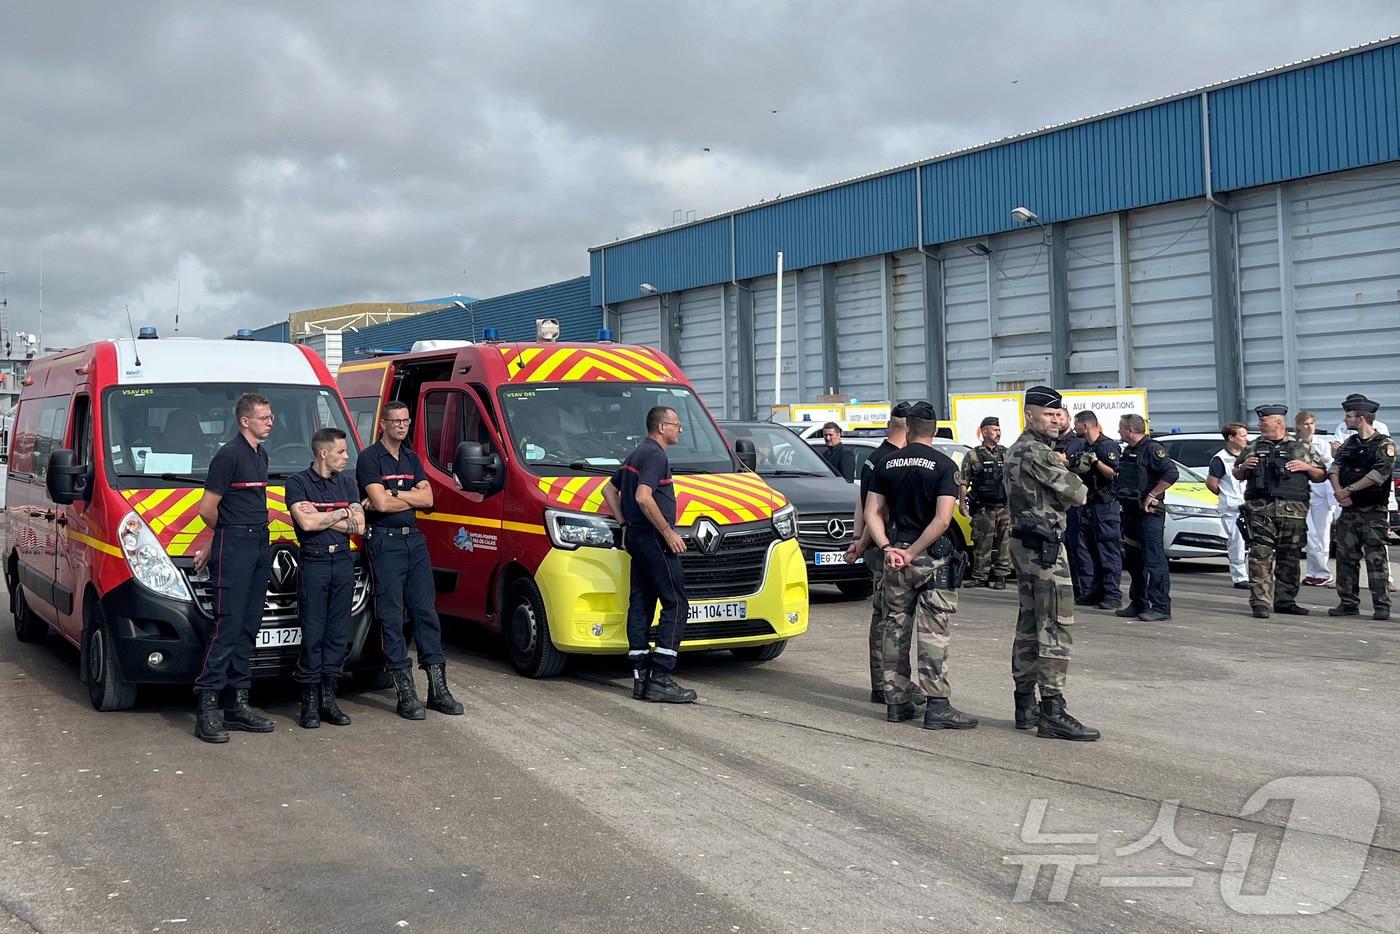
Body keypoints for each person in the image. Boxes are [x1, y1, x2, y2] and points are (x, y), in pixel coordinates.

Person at [863, 401, 973, 730]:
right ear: (934, 431)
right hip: (932, 558)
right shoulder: (944, 465)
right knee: (933, 632)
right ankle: (937, 705)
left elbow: (872, 513)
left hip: (894, 556)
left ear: (907, 430)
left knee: (895, 628)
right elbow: (942, 520)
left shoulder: (886, 462)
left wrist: (888, 548)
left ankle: (896, 702)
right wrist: (914, 551)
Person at [357, 401, 464, 720]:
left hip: (413, 540)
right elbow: (379, 503)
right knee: (391, 616)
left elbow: (429, 499)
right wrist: (399, 496)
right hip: (385, 542)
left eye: (406, 421)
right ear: (383, 424)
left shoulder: (411, 458)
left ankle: (437, 690)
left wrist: (394, 495)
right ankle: (405, 693)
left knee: (426, 613)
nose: (402, 426)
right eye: (396, 421)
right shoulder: (369, 458)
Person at [1003, 386, 1098, 741]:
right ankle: (1053, 710)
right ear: (1030, 415)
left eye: (1060, 414)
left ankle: (1025, 704)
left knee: (1028, 623)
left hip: (1026, 543)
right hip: (1044, 548)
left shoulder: (1019, 449)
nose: (1056, 420)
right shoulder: (1037, 452)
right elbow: (1079, 493)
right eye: (1048, 414)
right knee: (1056, 624)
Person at [190, 393, 277, 744]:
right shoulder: (228, 456)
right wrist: (220, 540)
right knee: (227, 627)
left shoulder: (261, 454)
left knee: (248, 626)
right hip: (237, 545)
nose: (271, 421)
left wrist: (215, 542)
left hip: (259, 542)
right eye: (264, 417)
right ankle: (208, 706)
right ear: (245, 421)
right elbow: (207, 509)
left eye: (271, 416)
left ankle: (238, 703)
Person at [601, 406, 696, 703]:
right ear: (662, 427)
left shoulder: (636, 453)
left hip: (638, 537)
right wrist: (667, 531)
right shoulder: (655, 455)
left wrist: (625, 525)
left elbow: (608, 490)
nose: (680, 430)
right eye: (677, 425)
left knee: (641, 603)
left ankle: (640, 677)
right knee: (677, 603)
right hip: (654, 538)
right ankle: (661, 677)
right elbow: (643, 496)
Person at [286, 427, 364, 729]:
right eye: (341, 451)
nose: (346, 457)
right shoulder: (297, 483)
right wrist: (343, 513)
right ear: (323, 453)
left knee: (338, 634)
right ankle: (309, 703)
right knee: (313, 632)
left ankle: (329, 700)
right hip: (315, 563)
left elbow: (358, 525)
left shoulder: (347, 482)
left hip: (342, 562)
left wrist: (327, 516)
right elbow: (305, 523)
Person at [1232, 404, 1327, 619]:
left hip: (1293, 512)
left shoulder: (1301, 447)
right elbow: (1237, 474)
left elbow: (1322, 475)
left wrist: (1306, 468)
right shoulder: (1253, 447)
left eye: (1263, 421)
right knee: (1259, 556)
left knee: (1290, 558)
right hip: (1260, 511)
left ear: (1277, 422)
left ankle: (1286, 600)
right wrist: (1244, 466)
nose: (1259, 424)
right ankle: (1260, 602)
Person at [844, 404, 909, 704]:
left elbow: (861, 503)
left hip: (871, 543)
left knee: (881, 614)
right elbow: (876, 512)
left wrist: (858, 539)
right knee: (887, 617)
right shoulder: (893, 460)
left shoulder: (872, 458)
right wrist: (864, 540)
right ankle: (885, 685)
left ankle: (880, 683)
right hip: (886, 544)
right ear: (908, 427)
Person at [1328, 395, 1394, 621]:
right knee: (1346, 559)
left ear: (1362, 418)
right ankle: (1348, 602)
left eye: (1349, 416)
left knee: (1376, 560)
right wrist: (1339, 491)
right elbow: (1334, 467)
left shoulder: (1384, 444)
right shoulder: (1350, 443)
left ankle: (1381, 605)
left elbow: (1378, 475)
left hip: (1373, 511)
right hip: (1349, 510)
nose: (1346, 420)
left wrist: (1349, 490)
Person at [1112, 414, 1178, 622]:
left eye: (1121, 428)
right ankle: (1139, 602)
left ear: (1131, 430)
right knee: (1133, 561)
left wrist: (1152, 495)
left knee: (1154, 561)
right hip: (1131, 513)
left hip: (1149, 516)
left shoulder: (1151, 449)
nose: (1119, 432)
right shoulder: (1130, 450)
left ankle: (1160, 607)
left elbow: (1171, 474)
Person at [1064, 411, 1123, 610]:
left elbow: (1114, 473)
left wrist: (1097, 462)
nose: (1074, 427)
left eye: (1076, 424)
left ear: (1086, 425)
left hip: (1104, 505)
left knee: (1108, 551)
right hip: (1088, 505)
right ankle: (1096, 591)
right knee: (1092, 551)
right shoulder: (1086, 446)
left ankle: (1113, 594)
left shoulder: (1107, 446)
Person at [956, 416, 1011, 589]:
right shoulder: (973, 455)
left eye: (999, 430)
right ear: (985, 431)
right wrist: (963, 503)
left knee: (1004, 542)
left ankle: (1001, 576)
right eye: (994, 430)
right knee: (982, 543)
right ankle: (980, 576)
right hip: (983, 507)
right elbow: (964, 480)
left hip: (1004, 506)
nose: (998, 433)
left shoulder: (1006, 452)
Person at [1205, 423, 1251, 590]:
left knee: (1252, 541)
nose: (1246, 439)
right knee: (1237, 542)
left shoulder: (1248, 455)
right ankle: (1240, 577)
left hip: (1249, 505)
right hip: (1231, 508)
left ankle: (1251, 573)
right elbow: (1211, 483)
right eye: (1243, 435)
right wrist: (1226, 495)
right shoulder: (1220, 459)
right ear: (1231, 438)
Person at [1294, 411, 1337, 587]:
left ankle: (1320, 572)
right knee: (1310, 535)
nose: (1310, 427)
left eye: (1311, 423)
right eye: (1305, 424)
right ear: (1298, 426)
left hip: (1321, 494)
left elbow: (1328, 470)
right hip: (1302, 492)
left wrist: (1333, 500)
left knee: (1321, 535)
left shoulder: (1323, 444)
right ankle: (1315, 571)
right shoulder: (1293, 444)